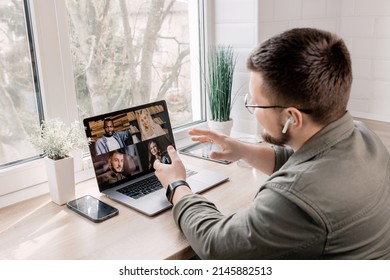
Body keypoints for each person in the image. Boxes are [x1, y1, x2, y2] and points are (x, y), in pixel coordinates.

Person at [153, 28, 390, 259]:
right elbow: (307, 163)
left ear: (292, 117)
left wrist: (176, 185)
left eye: (256, 104)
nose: (253, 111)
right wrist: (243, 150)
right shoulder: (363, 136)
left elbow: (216, 245)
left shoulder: (293, 199)